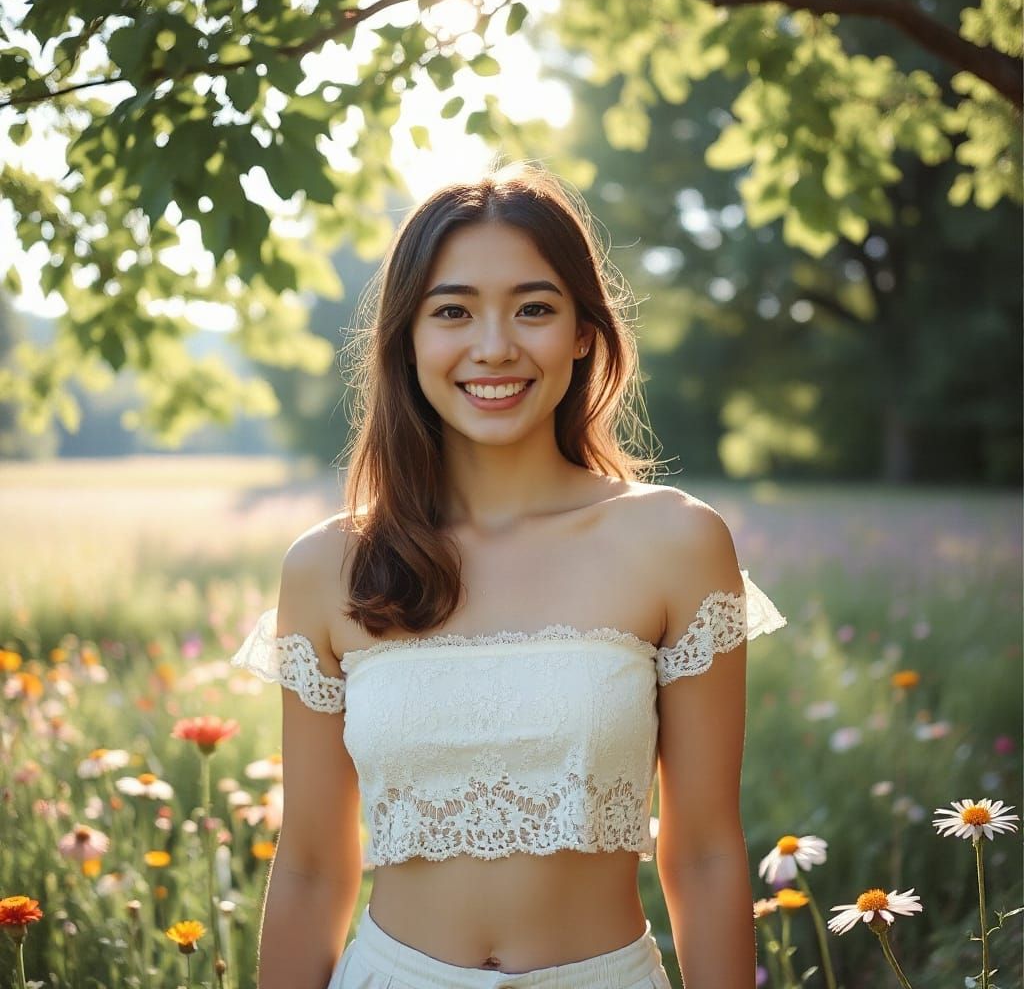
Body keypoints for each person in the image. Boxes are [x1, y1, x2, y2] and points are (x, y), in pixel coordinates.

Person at [231, 161, 787, 989]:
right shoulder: (328, 566)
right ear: (408, 337)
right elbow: (311, 865)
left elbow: (704, 853)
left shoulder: (676, 543)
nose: (495, 346)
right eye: (453, 311)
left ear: (584, 332)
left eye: (534, 308)